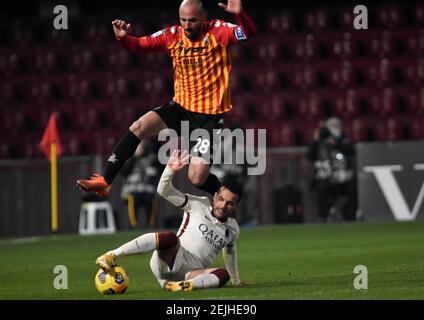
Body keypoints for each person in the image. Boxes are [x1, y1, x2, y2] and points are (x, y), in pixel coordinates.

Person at [76, 0, 256, 197]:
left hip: (209, 119)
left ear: (204, 18)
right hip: (180, 108)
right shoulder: (172, 36)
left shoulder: (219, 31)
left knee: (196, 178)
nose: (187, 25)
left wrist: (240, 14)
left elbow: (248, 33)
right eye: (183, 20)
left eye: (192, 20)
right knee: (139, 127)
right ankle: (105, 181)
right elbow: (139, 45)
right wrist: (124, 39)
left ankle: (225, 195)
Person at [95, 150, 250, 291]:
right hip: (171, 258)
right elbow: (163, 191)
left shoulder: (233, 229)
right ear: (215, 196)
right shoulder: (198, 204)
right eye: (221, 199)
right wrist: (170, 169)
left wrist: (236, 280)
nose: (223, 206)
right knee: (169, 238)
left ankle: (184, 286)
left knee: (223, 275)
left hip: (191, 273)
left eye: (230, 203)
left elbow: (229, 252)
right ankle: (111, 255)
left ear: (236, 205)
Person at [305, 117, 357, 222]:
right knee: (322, 188)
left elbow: (350, 151)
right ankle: (322, 217)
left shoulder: (345, 141)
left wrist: (336, 143)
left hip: (342, 177)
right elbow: (309, 156)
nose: (335, 129)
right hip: (325, 177)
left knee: (351, 189)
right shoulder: (319, 143)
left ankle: (348, 215)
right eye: (332, 127)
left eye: (337, 126)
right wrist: (315, 140)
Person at [120, 139, 163, 229]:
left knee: (152, 199)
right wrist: (135, 157)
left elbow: (159, 172)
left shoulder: (152, 159)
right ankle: (133, 226)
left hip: (147, 190)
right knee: (132, 198)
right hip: (130, 190)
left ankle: (151, 226)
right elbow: (123, 172)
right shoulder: (129, 158)